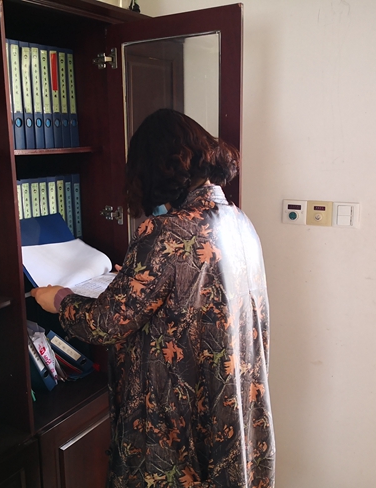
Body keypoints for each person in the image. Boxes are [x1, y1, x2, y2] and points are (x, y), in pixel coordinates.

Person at [32, 109, 275, 487]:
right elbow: (194, 295)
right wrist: (131, 279)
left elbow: (105, 324)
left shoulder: (167, 232)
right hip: (232, 417)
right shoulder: (238, 221)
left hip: (178, 433)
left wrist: (60, 299)